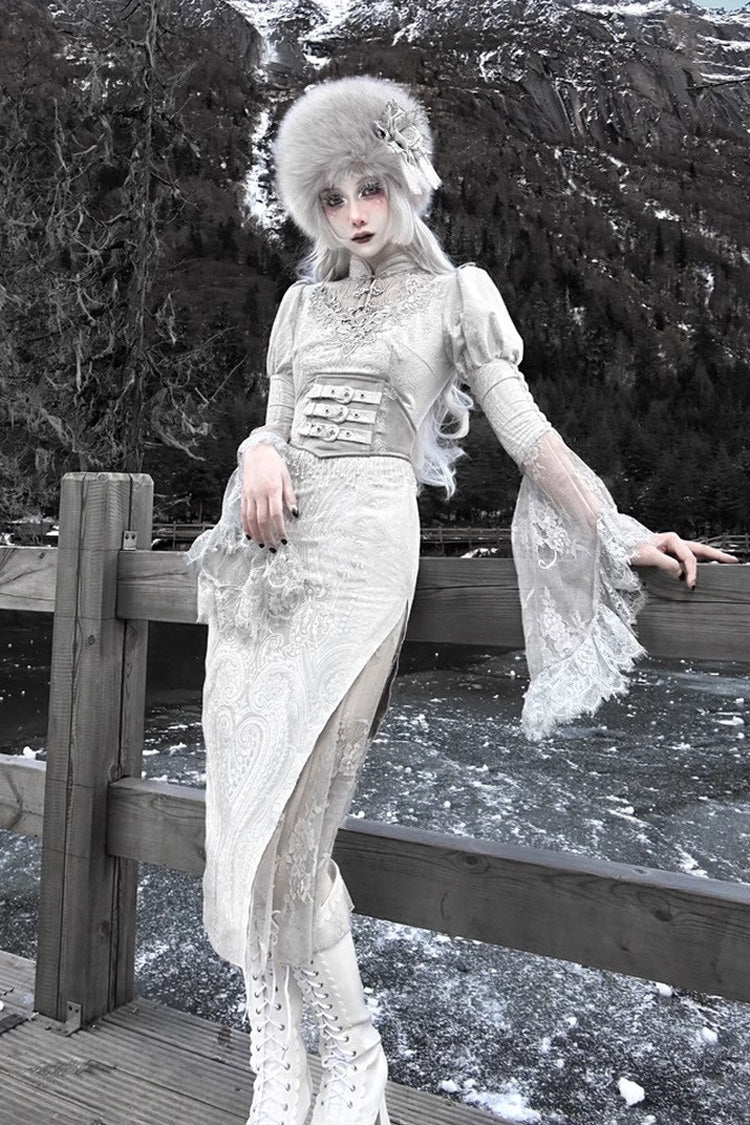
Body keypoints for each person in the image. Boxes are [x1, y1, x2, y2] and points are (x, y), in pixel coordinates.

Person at [187, 75, 737, 1125]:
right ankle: (279, 1064)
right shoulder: (300, 305)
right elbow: (277, 420)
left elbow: (526, 434)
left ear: (405, 186)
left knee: (300, 824)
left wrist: (618, 530)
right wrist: (257, 449)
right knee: (241, 814)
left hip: (362, 559)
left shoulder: (457, 297)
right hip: (264, 560)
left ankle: (355, 1061)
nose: (355, 213)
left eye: (372, 189)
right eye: (333, 196)